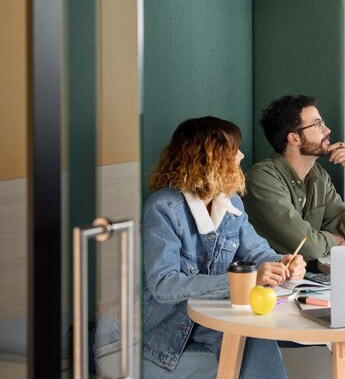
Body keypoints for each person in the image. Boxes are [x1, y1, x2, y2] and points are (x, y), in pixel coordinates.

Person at [94, 116, 306, 379]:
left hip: (196, 328)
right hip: (145, 340)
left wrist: (282, 262)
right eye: (233, 150)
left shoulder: (230, 205)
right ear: (211, 159)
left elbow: (255, 251)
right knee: (244, 350)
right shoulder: (163, 210)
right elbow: (165, 284)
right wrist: (247, 280)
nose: (241, 155)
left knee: (251, 337)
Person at [242, 94, 345, 379]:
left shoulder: (318, 176)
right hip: (277, 299)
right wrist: (333, 239)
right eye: (318, 124)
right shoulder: (263, 179)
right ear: (294, 138)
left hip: (316, 288)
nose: (327, 131)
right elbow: (307, 244)